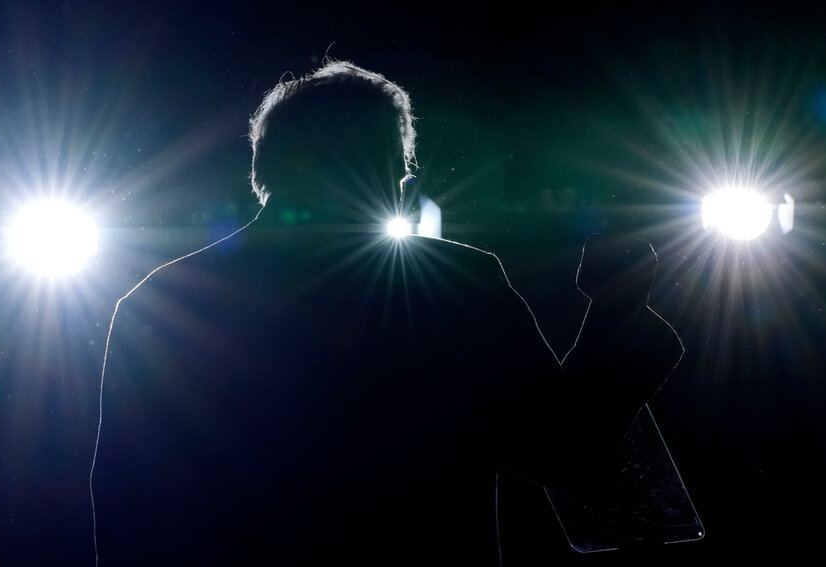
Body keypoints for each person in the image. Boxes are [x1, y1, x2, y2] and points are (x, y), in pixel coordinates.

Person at [94, 60, 681, 566]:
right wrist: (618, 310)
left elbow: (125, 509)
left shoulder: (164, 301)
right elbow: (564, 453)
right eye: (391, 167)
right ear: (393, 178)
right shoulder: (457, 285)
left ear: (268, 173)